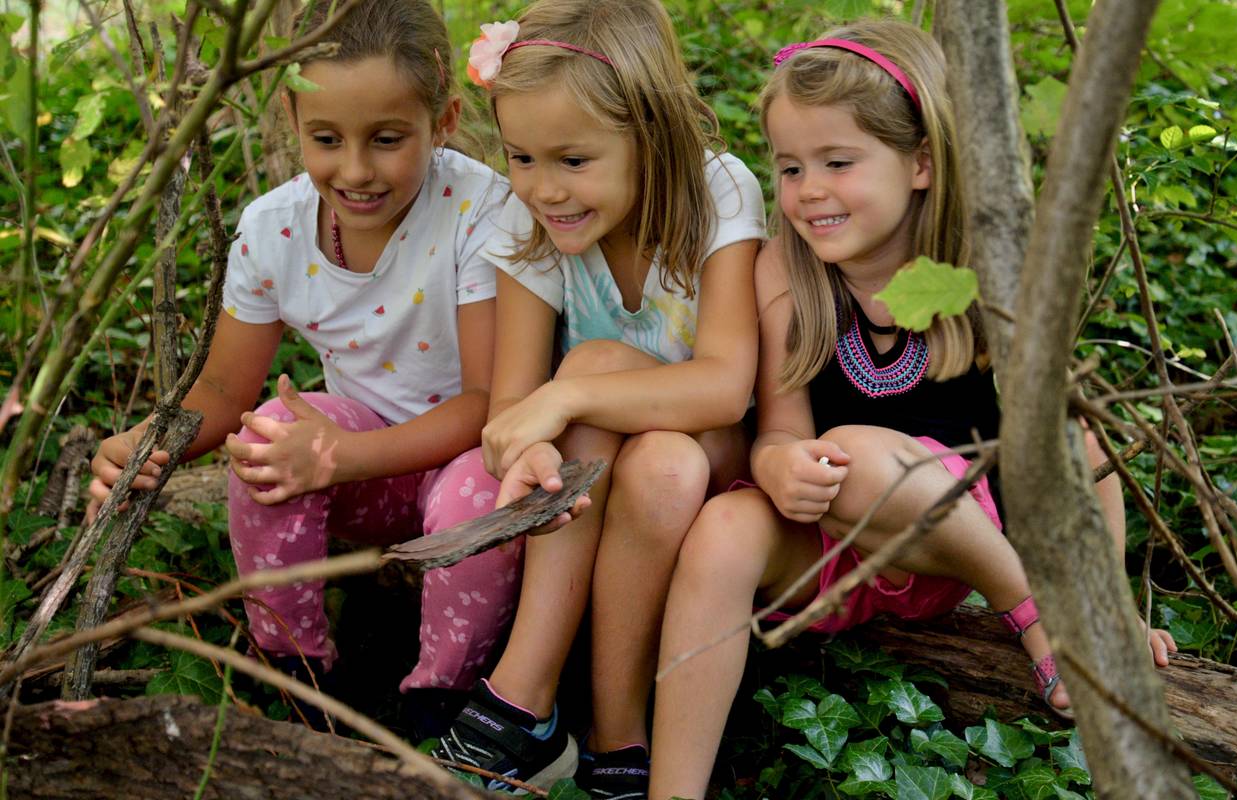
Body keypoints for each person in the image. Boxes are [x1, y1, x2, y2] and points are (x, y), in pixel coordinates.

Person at [646, 20, 1178, 797]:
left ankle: (1043, 613)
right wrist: (777, 463)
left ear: (922, 161)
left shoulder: (983, 274)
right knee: (727, 527)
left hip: (962, 537)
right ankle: (672, 790)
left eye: (838, 162)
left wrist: (1111, 604)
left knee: (867, 446)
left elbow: (1080, 447)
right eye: (790, 167)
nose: (808, 191)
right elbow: (784, 428)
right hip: (837, 542)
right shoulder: (784, 275)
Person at [87, 0, 517, 733]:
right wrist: (144, 446)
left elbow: (486, 403)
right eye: (326, 138)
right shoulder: (274, 230)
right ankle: (299, 680)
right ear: (292, 120)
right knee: (268, 436)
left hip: (478, 457)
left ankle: (438, 704)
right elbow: (223, 393)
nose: (355, 170)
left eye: (387, 139)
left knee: (478, 492)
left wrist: (343, 456)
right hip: (368, 470)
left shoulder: (479, 210)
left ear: (442, 121)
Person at [431, 1, 766, 795]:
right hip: (634, 479)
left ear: (650, 134)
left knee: (603, 372)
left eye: (573, 160)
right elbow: (511, 414)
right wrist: (537, 437)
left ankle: (552, 707)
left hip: (724, 463)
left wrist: (570, 393)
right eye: (520, 157)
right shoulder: (532, 224)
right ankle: (579, 723)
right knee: (654, 460)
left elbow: (726, 385)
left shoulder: (720, 191)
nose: (544, 188)